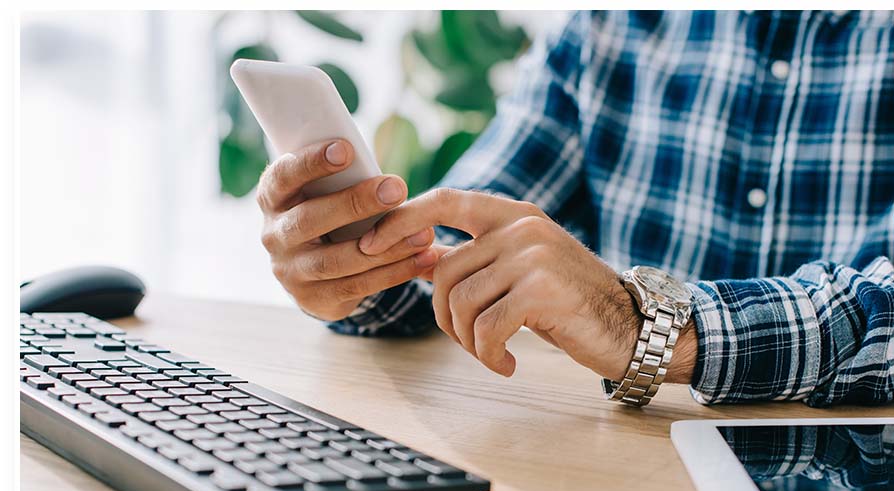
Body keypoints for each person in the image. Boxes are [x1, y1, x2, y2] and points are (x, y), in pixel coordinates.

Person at [256, 10, 893, 407]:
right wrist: (358, 267)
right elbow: (462, 235)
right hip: (630, 460)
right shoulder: (605, 26)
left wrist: (640, 325)